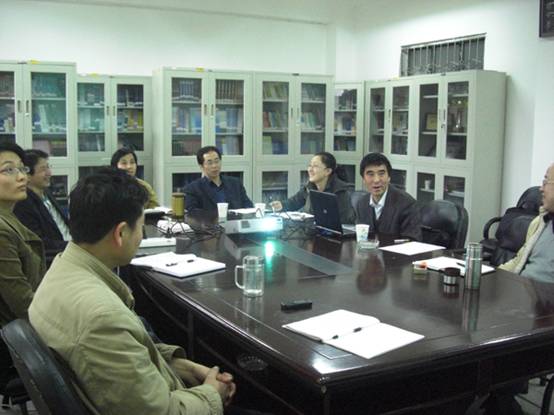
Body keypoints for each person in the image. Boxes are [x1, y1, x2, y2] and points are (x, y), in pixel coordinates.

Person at [29, 168, 236, 415]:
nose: (140, 236)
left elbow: (122, 360)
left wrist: (178, 365)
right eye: (140, 227)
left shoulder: (61, 269)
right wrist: (212, 393)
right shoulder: (102, 317)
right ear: (120, 233)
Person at [0, 142, 46, 327]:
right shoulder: (2, 231)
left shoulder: (9, 218)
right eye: (9, 170)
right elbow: (23, 302)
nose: (22, 177)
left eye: (22, 168)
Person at [500, 163, 554, 281]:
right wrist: (493, 275)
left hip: (542, 292)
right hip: (522, 287)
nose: (541, 189)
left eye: (546, 182)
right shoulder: (540, 222)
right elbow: (518, 261)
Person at [270, 152, 355, 224]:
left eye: (315, 166)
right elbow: (294, 202)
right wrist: (281, 205)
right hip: (311, 231)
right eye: (310, 165)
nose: (310, 169)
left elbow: (345, 221)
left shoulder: (341, 191)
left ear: (328, 171)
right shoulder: (310, 186)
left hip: (333, 235)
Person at [14, 149, 69, 259]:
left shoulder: (46, 193)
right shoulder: (23, 203)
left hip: (69, 244)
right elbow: (39, 242)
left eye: (48, 167)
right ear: (28, 174)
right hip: (57, 255)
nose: (49, 173)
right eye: (43, 169)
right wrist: (73, 246)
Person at [354, 153, 421, 241]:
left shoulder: (407, 204)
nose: (376, 180)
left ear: (389, 177)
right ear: (363, 179)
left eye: (381, 174)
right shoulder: (362, 204)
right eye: (370, 174)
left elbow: (412, 241)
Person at [185, 146, 253, 212]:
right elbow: (193, 213)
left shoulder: (235, 183)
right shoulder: (193, 189)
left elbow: (248, 206)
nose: (214, 166)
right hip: (210, 220)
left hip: (235, 219)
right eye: (210, 163)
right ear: (201, 166)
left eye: (217, 161)